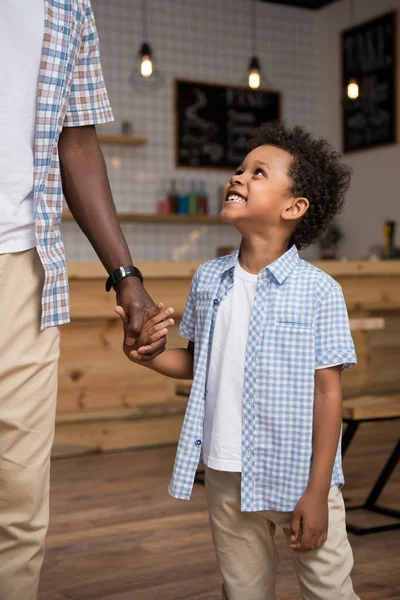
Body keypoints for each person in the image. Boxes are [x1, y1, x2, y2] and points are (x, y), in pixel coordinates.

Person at [118, 121, 361, 600]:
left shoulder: (320, 292)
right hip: (225, 473)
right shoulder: (208, 278)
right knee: (243, 591)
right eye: (238, 169)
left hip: (299, 475)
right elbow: (198, 364)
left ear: (293, 208)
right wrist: (145, 357)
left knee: (329, 591)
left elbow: (326, 390)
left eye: (258, 172)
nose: (238, 177)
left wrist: (317, 490)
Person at [0, 2, 165, 598]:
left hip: (26, 269)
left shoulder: (70, 5)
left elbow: (79, 141)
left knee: (19, 502)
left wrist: (126, 275)